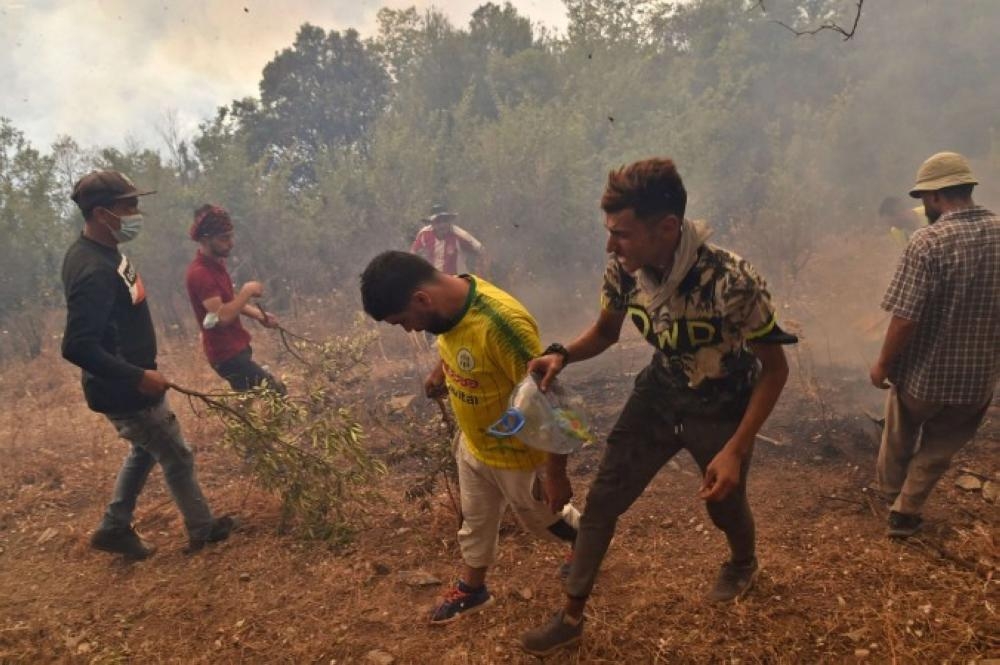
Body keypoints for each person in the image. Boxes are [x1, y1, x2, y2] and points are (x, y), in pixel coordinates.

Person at [519, 158, 796, 656]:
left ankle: (742, 562)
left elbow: (774, 370)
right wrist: (562, 353)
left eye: (621, 234)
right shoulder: (625, 272)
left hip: (723, 403)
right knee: (603, 498)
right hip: (660, 393)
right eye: (610, 233)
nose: (611, 246)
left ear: (666, 228)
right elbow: (606, 332)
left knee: (724, 503)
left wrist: (735, 448)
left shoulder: (731, 280)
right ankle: (570, 617)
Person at [360, 251, 580, 624]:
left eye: (403, 321)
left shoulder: (502, 325)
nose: (409, 331)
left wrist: (555, 474)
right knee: (475, 522)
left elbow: (550, 400)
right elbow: (457, 340)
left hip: (516, 454)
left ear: (421, 299)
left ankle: (586, 540)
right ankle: (473, 589)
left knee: (545, 520)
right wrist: (441, 371)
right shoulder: (448, 306)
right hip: (475, 443)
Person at [61, 171, 234, 560]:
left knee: (146, 449)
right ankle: (203, 530)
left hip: (129, 382)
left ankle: (114, 527)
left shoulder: (104, 251)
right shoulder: (91, 269)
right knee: (177, 455)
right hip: (126, 389)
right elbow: (77, 346)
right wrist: (138, 376)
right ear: (102, 213)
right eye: (129, 207)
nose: (136, 214)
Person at [870, 152, 999, 539]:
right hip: (976, 382)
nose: (924, 204)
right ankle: (906, 511)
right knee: (941, 446)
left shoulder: (927, 241)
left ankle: (888, 491)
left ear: (937, 195)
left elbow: (905, 318)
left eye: (925, 196)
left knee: (900, 428)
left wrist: (882, 364)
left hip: (923, 378)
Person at [185, 204, 284, 393]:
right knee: (276, 392)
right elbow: (221, 317)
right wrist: (247, 291)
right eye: (224, 238)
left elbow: (228, 301)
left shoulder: (216, 264)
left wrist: (260, 315)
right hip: (227, 356)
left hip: (237, 347)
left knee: (247, 399)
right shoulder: (200, 273)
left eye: (231, 236)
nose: (231, 243)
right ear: (205, 240)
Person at [410, 204, 486, 275]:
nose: (442, 225)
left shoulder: (460, 235)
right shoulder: (424, 234)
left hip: (455, 279)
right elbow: (413, 253)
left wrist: (479, 272)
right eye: (438, 222)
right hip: (433, 278)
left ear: (450, 221)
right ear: (432, 223)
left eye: (445, 221)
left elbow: (481, 250)